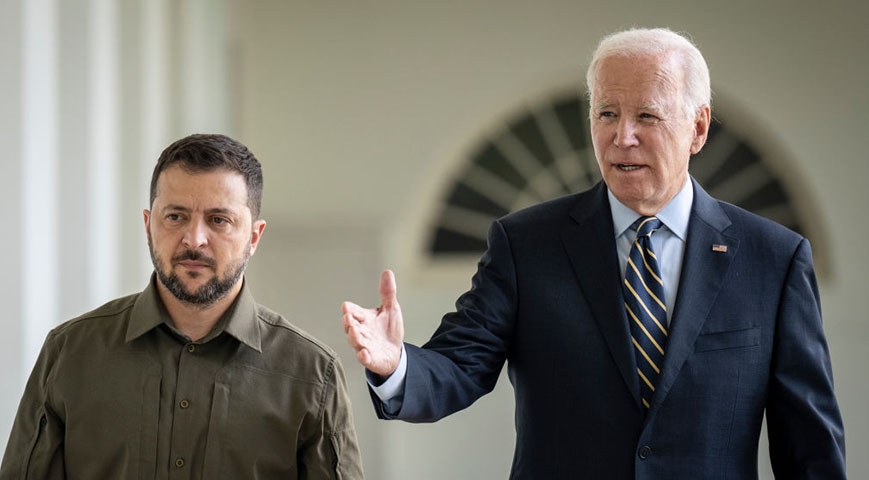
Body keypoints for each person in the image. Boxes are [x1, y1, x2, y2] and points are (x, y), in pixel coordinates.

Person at [341, 28, 845, 479]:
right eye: (607, 113)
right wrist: (396, 366)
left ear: (698, 127)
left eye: (647, 115)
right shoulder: (525, 244)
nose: (622, 137)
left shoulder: (772, 259)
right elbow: (459, 365)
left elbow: (809, 445)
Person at [1, 134, 364, 479]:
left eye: (219, 220)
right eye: (175, 217)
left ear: (254, 237)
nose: (194, 240)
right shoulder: (69, 353)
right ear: (148, 226)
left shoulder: (314, 375)